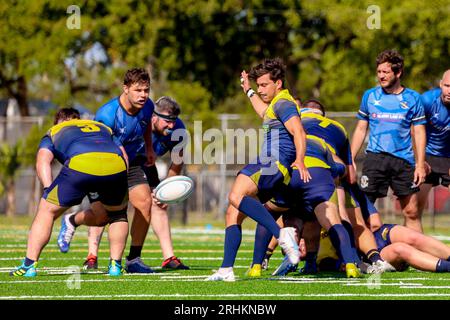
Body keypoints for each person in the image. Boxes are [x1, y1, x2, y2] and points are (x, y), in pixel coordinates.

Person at [57, 68, 186, 273]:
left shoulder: (148, 106)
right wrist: (118, 155)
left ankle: (133, 260)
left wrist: (150, 149)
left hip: (132, 162)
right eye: (138, 90)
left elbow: (144, 127)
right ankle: (72, 220)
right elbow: (101, 144)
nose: (143, 95)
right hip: (105, 163)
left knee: (145, 203)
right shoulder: (107, 115)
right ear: (125, 89)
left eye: (146, 90)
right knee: (103, 217)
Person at [205, 57, 310, 281]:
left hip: (273, 163)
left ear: (278, 83)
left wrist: (300, 159)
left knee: (235, 195)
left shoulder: (284, 103)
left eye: (264, 85)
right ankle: (226, 268)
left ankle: (281, 234)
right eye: (259, 85)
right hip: (273, 168)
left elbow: (299, 132)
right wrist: (249, 91)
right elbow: (263, 112)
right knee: (233, 213)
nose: (261, 90)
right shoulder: (276, 105)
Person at [10, 108, 129, 277]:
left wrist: (47, 190)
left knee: (46, 211)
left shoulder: (54, 131)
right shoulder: (102, 127)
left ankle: (29, 266)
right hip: (115, 166)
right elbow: (124, 155)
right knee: (118, 215)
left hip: (80, 164)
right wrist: (121, 181)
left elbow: (43, 161)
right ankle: (116, 266)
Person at [351, 50, 427, 233]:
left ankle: (417, 257)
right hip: (375, 159)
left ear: (398, 73)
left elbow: (418, 132)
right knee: (365, 209)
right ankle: (367, 256)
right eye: (379, 72)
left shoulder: (413, 98)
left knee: (411, 212)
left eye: (386, 72)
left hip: (403, 161)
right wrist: (350, 159)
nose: (381, 76)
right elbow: (361, 128)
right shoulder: (370, 96)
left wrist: (420, 165)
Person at [417, 70, 450, 218]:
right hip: (427, 156)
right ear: (441, 84)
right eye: (447, 86)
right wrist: (419, 161)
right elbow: (414, 131)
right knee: (413, 210)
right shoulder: (427, 100)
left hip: (448, 156)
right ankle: (410, 241)